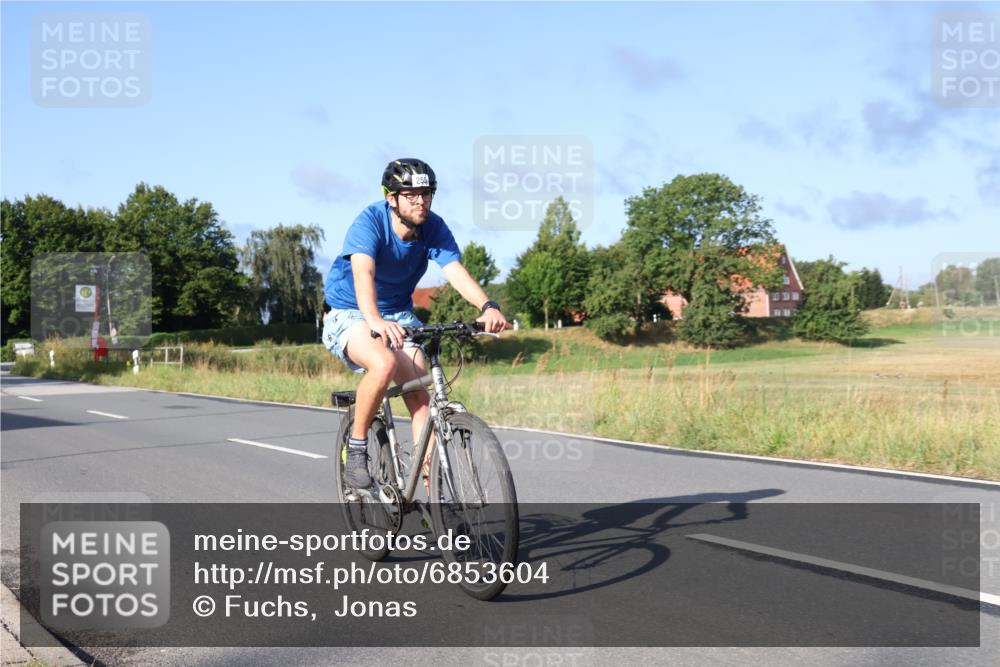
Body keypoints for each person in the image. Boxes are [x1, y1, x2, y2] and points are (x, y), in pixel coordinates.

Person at [323, 158, 507, 490]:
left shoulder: (432, 227)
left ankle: (432, 490)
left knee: (422, 395)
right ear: (391, 198)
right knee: (383, 363)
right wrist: (375, 320)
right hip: (349, 310)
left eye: (426, 194)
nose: (420, 201)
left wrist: (487, 306)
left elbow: (454, 271)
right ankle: (358, 449)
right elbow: (363, 274)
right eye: (410, 194)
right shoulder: (370, 222)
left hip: (398, 315)